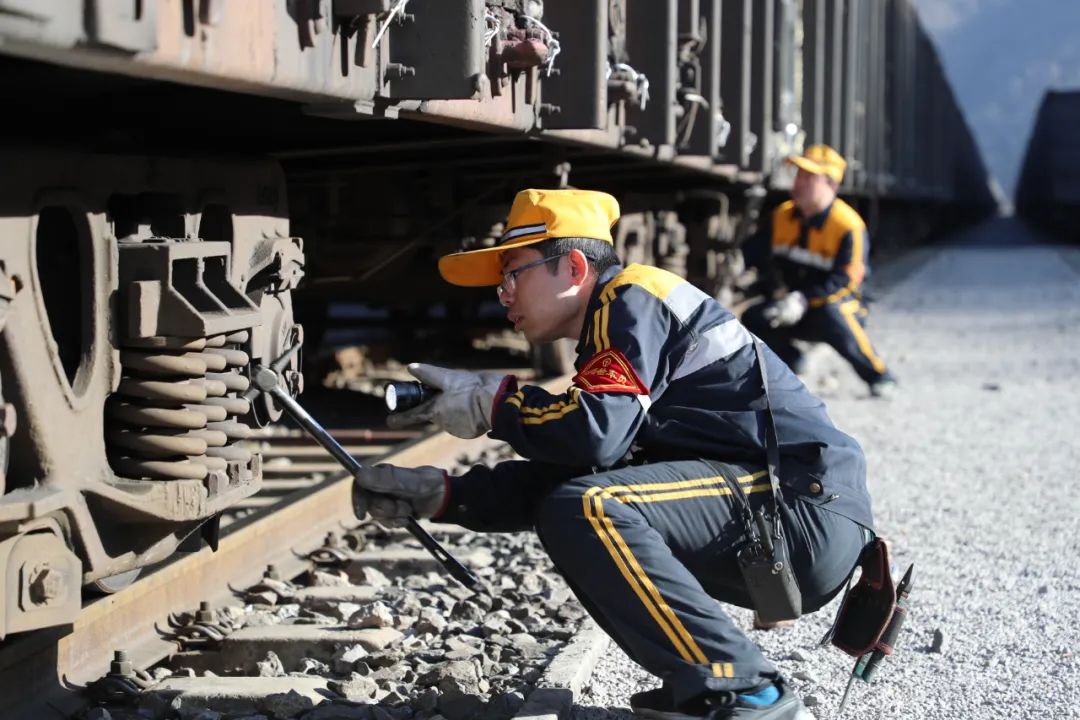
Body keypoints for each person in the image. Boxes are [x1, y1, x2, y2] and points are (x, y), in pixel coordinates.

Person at [353, 188, 875, 720]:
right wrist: (447, 494)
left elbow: (593, 436)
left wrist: (496, 405)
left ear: (574, 268)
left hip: (800, 505)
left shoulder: (631, 295)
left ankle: (747, 691)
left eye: (512, 274)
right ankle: (704, 688)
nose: (502, 294)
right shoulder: (615, 324)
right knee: (573, 503)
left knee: (590, 509)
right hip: (790, 509)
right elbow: (586, 465)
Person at [741, 145, 897, 398]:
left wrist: (803, 299)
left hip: (837, 304)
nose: (799, 183)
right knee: (753, 317)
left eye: (809, 177)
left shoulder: (848, 226)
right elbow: (753, 251)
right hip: (792, 306)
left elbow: (846, 281)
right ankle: (794, 361)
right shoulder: (782, 216)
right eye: (799, 175)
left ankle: (880, 375)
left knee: (834, 315)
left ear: (831, 185)